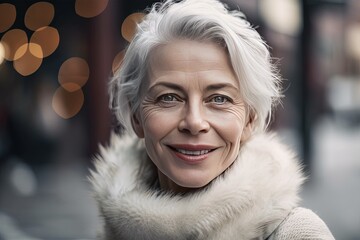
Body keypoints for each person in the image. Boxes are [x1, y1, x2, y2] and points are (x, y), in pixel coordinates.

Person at [90, 0, 335, 239]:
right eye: (169, 98)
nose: (195, 122)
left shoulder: (295, 233)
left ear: (250, 119)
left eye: (219, 99)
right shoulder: (111, 233)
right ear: (136, 117)